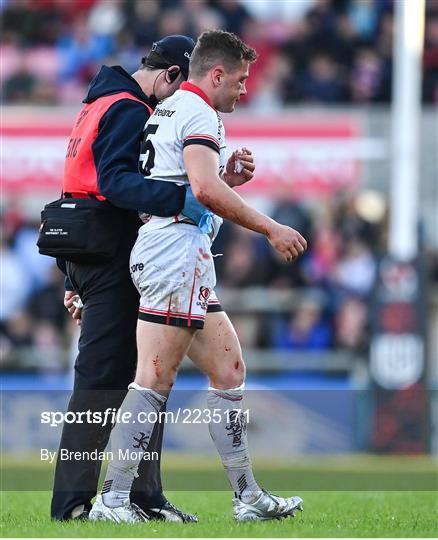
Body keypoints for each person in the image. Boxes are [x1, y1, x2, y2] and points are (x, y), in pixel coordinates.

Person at [89, 29, 307, 523]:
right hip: (173, 253)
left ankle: (247, 497)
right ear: (216, 74)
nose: (244, 89)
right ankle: (113, 499)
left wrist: (222, 179)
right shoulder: (197, 112)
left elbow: (188, 182)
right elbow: (203, 192)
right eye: (241, 79)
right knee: (152, 381)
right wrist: (270, 227)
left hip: (179, 252)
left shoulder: (170, 109)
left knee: (229, 372)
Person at [51, 35, 200, 523]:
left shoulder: (97, 102)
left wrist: (71, 279)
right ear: (170, 76)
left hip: (83, 250)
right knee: (112, 380)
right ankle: (76, 505)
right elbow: (115, 183)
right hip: (111, 254)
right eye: (180, 92)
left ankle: (142, 496)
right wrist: (183, 201)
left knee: (142, 376)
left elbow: (79, 180)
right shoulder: (131, 110)